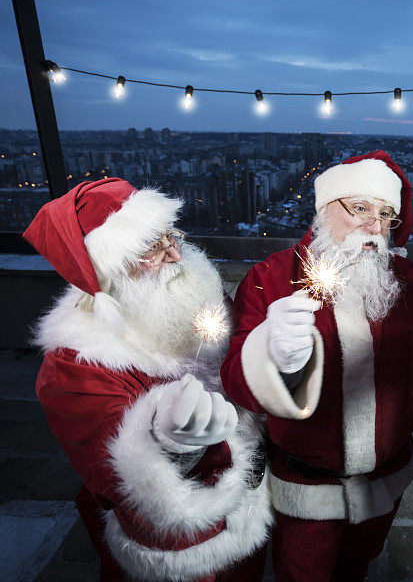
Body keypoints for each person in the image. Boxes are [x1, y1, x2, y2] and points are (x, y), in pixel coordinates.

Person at [24, 178, 272, 582]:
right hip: (177, 548)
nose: (175, 254)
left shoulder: (190, 299)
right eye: (151, 248)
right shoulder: (75, 365)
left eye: (170, 236)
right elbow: (116, 476)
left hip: (245, 505)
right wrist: (171, 446)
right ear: (108, 273)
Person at [221, 150, 413, 581]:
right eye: (359, 208)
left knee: (359, 565)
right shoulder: (271, 276)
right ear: (324, 209)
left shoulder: (410, 281)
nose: (373, 227)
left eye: (385, 215)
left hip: (386, 477)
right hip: (307, 485)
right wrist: (269, 353)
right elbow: (233, 380)